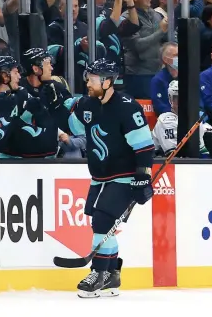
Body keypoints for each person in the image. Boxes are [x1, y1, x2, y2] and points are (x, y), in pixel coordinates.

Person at [50, 58, 155, 298]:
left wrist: (142, 177)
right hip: (99, 176)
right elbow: (73, 125)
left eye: (93, 79)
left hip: (124, 175)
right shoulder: (88, 104)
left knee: (102, 221)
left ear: (107, 82)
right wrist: (55, 107)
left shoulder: (128, 107)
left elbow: (144, 147)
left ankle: (99, 272)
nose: (88, 82)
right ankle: (113, 275)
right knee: (100, 224)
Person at [153, 80, 212, 158]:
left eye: (185, 98)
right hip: (172, 167)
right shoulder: (165, 120)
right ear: (171, 99)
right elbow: (174, 156)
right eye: (178, 98)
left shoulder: (202, 123)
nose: (183, 102)